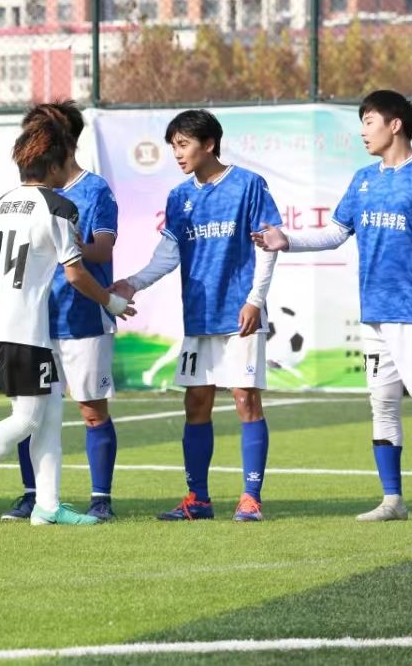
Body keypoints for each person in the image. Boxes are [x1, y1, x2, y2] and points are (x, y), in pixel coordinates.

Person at [0, 108, 133, 526]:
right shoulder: (59, 207)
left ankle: (47, 506)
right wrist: (111, 303)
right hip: (29, 330)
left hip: (6, 325)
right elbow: (75, 274)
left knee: (49, 417)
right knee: (26, 419)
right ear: (55, 165)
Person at [253, 89, 412, 522]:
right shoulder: (363, 179)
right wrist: (286, 240)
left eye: (369, 121)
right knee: (382, 403)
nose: (363, 131)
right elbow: (334, 233)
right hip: (375, 313)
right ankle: (393, 501)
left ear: (395, 124)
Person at [112, 109, 280, 523]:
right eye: (173, 146)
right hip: (199, 317)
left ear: (209, 144)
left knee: (245, 399)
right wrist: (133, 282)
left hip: (240, 315)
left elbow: (267, 246)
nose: (177, 153)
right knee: (196, 402)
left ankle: (251, 498)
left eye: (183, 145)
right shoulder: (179, 197)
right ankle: (198, 499)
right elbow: (168, 254)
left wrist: (255, 300)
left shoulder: (248, 185)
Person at [4, 101, 122, 522]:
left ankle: (100, 499)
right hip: (33, 320)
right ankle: (32, 495)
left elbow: (102, 250)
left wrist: (66, 245)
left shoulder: (95, 190)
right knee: (28, 415)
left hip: (83, 318)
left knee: (91, 410)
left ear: (64, 141)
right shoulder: (29, 194)